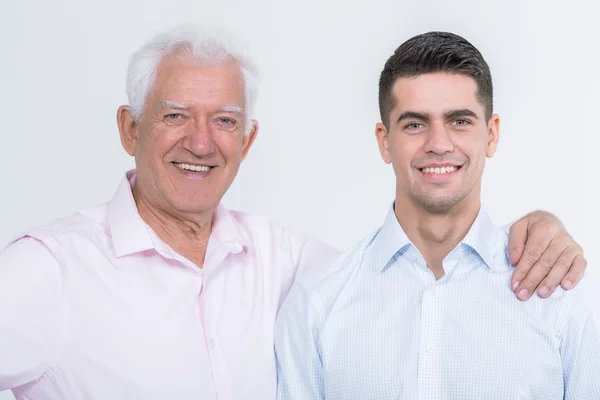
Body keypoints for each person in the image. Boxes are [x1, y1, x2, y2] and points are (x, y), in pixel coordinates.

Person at [0, 25, 589, 400]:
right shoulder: (51, 270)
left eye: (224, 120)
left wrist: (540, 226)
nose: (201, 143)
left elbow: (399, 269)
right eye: (176, 115)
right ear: (131, 128)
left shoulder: (286, 265)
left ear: (247, 139)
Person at [274, 31, 600, 399]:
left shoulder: (561, 298)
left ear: (491, 134)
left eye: (459, 121)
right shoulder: (316, 306)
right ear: (384, 140)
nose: (439, 144)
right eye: (415, 124)